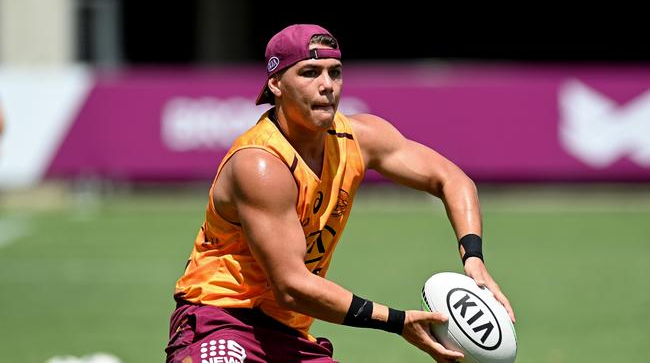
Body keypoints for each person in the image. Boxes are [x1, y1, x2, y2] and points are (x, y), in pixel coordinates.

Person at [165, 24, 516, 363]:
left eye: (335, 72)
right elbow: (291, 286)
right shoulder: (261, 164)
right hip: (221, 319)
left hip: (289, 333)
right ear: (275, 83)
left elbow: (451, 179)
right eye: (309, 73)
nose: (326, 86)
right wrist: (396, 321)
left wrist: (473, 258)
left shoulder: (359, 138)